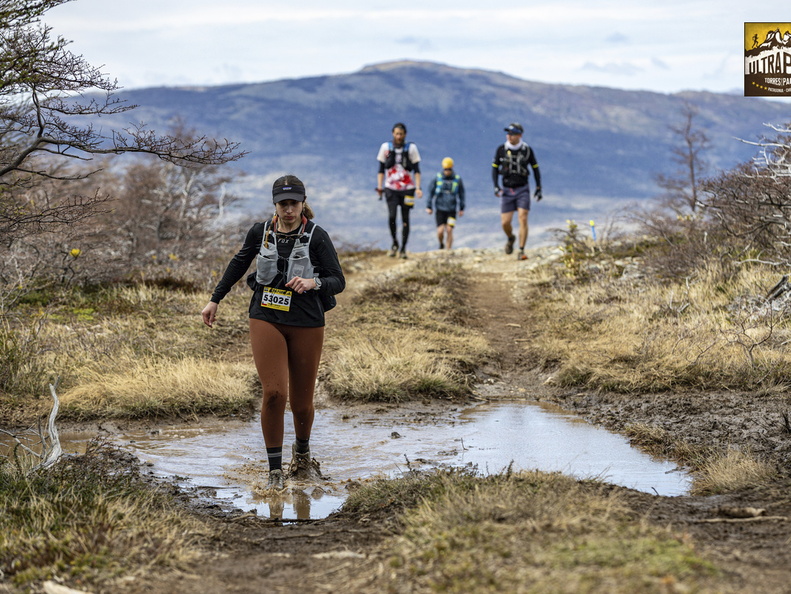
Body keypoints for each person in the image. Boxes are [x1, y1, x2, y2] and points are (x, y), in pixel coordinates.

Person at [201, 175, 345, 491]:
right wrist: (215, 299)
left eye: (294, 203)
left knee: (302, 403)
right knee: (275, 393)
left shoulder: (317, 236)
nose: (288, 209)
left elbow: (338, 280)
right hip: (265, 316)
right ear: (275, 205)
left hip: (307, 321)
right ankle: (275, 472)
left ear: (302, 203)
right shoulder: (261, 232)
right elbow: (239, 263)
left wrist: (314, 282)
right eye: (283, 204)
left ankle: (303, 456)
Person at [492, 122, 542, 261]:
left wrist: (538, 188)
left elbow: (535, 169)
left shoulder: (527, 150)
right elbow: (494, 169)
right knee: (505, 222)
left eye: (513, 134)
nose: (509, 136)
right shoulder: (501, 150)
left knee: (523, 217)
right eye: (508, 133)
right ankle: (510, 238)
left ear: (520, 135)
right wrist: (496, 185)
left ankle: (521, 250)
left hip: (523, 189)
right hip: (507, 189)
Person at [376, 122, 422, 259]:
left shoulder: (411, 148)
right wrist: (379, 187)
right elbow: (380, 169)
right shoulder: (385, 148)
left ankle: (403, 248)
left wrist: (418, 188)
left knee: (406, 219)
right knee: (392, 217)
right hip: (390, 188)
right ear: (393, 134)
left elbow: (417, 170)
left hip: (408, 189)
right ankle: (395, 242)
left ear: (405, 134)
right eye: (397, 134)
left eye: (401, 134)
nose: (399, 136)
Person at [426, 157, 465, 250]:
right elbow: (430, 192)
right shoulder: (437, 178)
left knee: (449, 229)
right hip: (440, 209)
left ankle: (448, 249)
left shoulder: (457, 179)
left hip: (452, 209)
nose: (447, 171)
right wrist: (429, 206)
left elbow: (462, 194)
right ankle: (441, 244)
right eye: (446, 169)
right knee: (440, 231)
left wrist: (461, 208)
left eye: (449, 169)